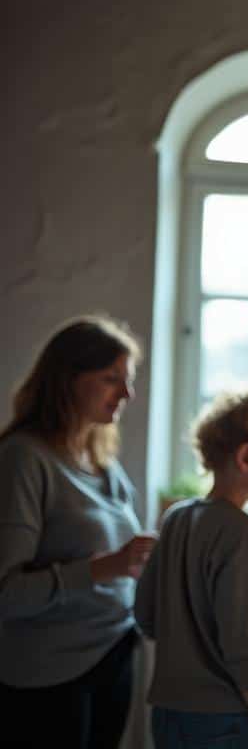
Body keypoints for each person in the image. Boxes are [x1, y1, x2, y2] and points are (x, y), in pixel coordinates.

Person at [0, 314, 157, 749]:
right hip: (47, 674)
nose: (126, 394)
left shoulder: (102, 462)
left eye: (127, 379)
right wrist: (103, 568)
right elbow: (6, 594)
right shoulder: (23, 460)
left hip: (112, 653)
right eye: (111, 378)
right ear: (67, 380)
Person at [135, 390, 248, 749]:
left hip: (168, 717)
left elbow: (146, 617)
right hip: (225, 723)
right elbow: (246, 650)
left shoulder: (176, 518)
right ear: (246, 457)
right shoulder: (243, 531)